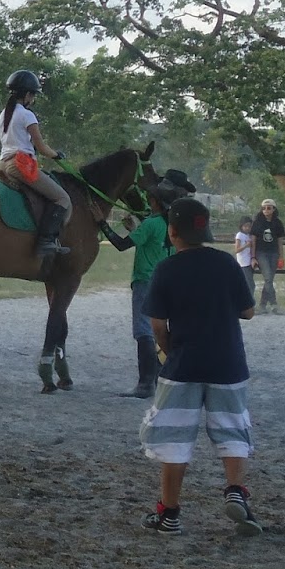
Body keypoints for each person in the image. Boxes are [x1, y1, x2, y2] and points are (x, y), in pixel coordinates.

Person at [139, 196, 262, 537]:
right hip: (229, 364)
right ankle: (236, 491)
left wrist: (168, 351)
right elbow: (248, 311)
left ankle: (169, 514)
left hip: (184, 365)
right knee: (233, 430)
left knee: (175, 439)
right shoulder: (225, 264)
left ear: (172, 231)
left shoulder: (166, 268)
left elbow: (158, 324)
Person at [102, 169, 193, 399]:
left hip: (145, 280)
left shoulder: (151, 223)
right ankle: (162, 375)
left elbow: (121, 245)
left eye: (150, 198)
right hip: (169, 279)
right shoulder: (172, 223)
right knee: (163, 328)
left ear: (155, 201)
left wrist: (102, 224)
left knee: (143, 330)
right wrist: (136, 229)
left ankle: (144, 384)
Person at [0, 69, 71, 256]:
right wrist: (57, 155)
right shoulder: (27, 115)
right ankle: (45, 242)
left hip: (3, 164)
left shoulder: (4, 114)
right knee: (63, 198)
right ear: (28, 94)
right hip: (21, 165)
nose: (33, 99)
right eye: (34, 95)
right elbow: (42, 147)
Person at [251, 198, 285, 313]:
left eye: (269, 208)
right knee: (267, 277)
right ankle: (274, 304)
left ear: (273, 209)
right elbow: (253, 240)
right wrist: (252, 257)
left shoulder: (278, 223)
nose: (266, 210)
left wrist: (281, 256)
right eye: (264, 208)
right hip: (261, 253)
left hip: (274, 253)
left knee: (269, 279)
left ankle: (262, 305)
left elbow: (280, 241)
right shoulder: (257, 222)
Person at [234, 216, 256, 305]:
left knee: (248, 284)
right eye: (245, 226)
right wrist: (246, 246)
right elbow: (236, 250)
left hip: (249, 261)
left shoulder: (248, 236)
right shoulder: (240, 235)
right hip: (243, 262)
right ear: (241, 226)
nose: (247, 228)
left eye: (249, 226)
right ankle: (248, 304)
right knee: (251, 285)